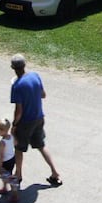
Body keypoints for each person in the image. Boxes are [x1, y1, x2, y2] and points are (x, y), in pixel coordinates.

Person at [9, 54, 62, 187]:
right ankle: (55, 173)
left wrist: (14, 125)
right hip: (39, 118)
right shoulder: (35, 76)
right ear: (24, 65)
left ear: (13, 68)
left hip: (25, 123)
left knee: (19, 148)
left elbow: (18, 110)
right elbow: (43, 95)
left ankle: (18, 175)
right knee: (41, 146)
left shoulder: (16, 86)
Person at [0, 117, 20, 203]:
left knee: (7, 176)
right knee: (7, 174)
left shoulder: (2, 142)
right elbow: (16, 143)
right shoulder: (11, 137)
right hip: (12, 159)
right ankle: (5, 187)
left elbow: (1, 155)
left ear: (2, 130)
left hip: (6, 161)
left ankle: (15, 194)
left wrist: (0, 166)